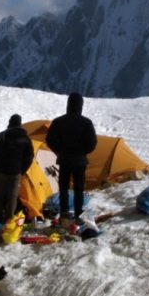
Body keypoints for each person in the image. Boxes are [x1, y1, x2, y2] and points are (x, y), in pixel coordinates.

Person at [46, 92, 97, 222]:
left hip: (64, 160)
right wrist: (82, 152)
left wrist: (59, 151)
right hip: (80, 161)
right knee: (79, 189)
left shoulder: (58, 122)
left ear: (68, 104)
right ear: (81, 106)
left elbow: (49, 140)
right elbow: (92, 143)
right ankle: (78, 214)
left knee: (63, 188)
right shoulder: (86, 123)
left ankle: (64, 213)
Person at [0, 114, 34, 224]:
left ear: (10, 122)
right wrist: (22, 170)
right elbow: (29, 157)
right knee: (12, 198)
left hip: (1, 171)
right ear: (20, 123)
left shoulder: (2, 136)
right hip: (15, 173)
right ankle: (8, 221)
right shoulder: (26, 138)